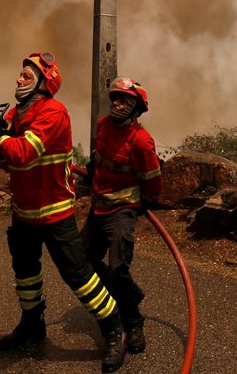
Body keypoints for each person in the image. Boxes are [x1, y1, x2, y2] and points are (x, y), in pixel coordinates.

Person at [0, 52, 126, 373]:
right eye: (20, 74)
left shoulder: (54, 112)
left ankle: (114, 330)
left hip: (54, 214)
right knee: (25, 273)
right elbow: (7, 160)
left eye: (26, 76)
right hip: (24, 213)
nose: (18, 79)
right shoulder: (16, 112)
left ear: (44, 83)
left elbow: (24, 152)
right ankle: (32, 324)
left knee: (79, 276)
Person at [79, 77, 163, 356]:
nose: (116, 104)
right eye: (114, 98)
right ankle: (128, 293)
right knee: (82, 260)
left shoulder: (140, 141)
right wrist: (90, 173)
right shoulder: (103, 125)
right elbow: (98, 157)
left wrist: (142, 204)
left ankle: (133, 321)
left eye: (124, 101)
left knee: (117, 269)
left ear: (136, 108)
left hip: (122, 212)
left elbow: (152, 181)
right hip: (98, 207)